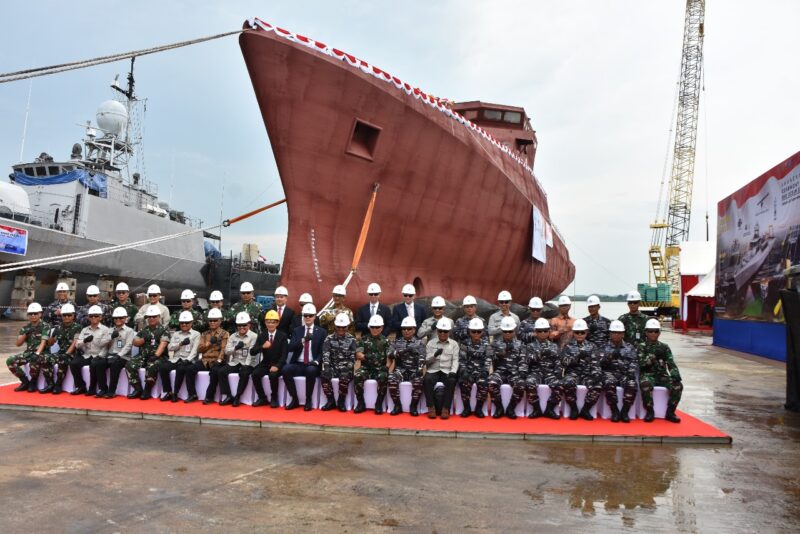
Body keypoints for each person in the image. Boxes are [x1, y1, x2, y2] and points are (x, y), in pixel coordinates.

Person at [639, 318, 683, 423]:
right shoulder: (641, 346)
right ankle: (650, 411)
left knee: (678, 385)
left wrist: (675, 375)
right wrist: (652, 356)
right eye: (650, 331)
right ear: (646, 332)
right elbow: (641, 364)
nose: (653, 333)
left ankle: (670, 412)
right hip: (648, 374)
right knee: (645, 384)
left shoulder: (664, 347)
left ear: (659, 332)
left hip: (662, 375)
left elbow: (670, 363)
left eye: (656, 331)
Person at [284, 303, 326, 410]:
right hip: (298, 363)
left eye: (310, 315)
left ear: (314, 316)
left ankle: (308, 400)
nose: (307, 317)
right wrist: (303, 340)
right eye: (305, 315)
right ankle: (294, 399)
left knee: (310, 371)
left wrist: (317, 361)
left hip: (312, 364)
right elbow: (290, 347)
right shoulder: (297, 330)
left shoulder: (321, 332)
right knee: (285, 370)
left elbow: (323, 351)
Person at [521, 318, 564, 419]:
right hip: (536, 372)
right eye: (540, 331)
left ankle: (550, 408)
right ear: (535, 332)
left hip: (549, 372)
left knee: (560, 384)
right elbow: (525, 361)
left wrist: (558, 372)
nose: (543, 333)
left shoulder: (554, 346)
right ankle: (536, 408)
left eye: (545, 331)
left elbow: (558, 361)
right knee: (529, 383)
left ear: (549, 332)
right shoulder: (529, 346)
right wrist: (539, 354)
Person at [560, 319, 602, 420]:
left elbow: (596, 363)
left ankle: (586, 409)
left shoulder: (592, 346)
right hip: (573, 373)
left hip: (587, 374)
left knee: (598, 384)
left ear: (586, 333)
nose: (579, 334)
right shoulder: (568, 346)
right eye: (577, 332)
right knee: (567, 382)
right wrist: (577, 357)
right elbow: (564, 362)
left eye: (582, 332)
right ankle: (573, 408)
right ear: (573, 333)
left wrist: (596, 374)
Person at [598, 320, 639, 423]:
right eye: (614, 332)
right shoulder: (603, 347)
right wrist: (608, 358)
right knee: (609, 383)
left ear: (623, 334)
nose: (617, 335)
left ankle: (625, 411)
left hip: (624, 374)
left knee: (632, 384)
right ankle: (614, 410)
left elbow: (634, 362)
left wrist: (630, 372)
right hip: (609, 373)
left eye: (619, 333)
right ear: (610, 333)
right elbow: (599, 363)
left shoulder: (629, 347)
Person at [487, 317, 526, 419]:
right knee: (491, 382)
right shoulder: (495, 344)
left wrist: (522, 372)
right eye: (505, 331)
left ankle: (511, 408)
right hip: (500, 372)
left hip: (515, 372)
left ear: (514, 331)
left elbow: (523, 360)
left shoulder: (521, 344)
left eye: (510, 331)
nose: (508, 333)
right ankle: (499, 407)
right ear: (502, 331)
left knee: (521, 384)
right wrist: (498, 353)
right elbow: (489, 357)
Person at [6, 303, 50, 392]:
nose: (33, 315)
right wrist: (26, 333)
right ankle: (25, 381)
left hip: (42, 353)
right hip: (29, 353)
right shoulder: (25, 327)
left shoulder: (45, 326)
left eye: (35, 313)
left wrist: (37, 353)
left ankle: (33, 382)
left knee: (35, 359)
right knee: (10, 361)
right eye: (30, 314)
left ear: (40, 314)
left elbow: (43, 342)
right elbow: (18, 344)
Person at [160, 311, 202, 402]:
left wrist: (188, 360)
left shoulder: (196, 334)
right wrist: (181, 344)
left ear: (191, 323)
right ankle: (169, 392)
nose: (184, 324)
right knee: (163, 368)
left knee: (181, 368)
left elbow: (195, 350)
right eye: (182, 322)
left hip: (188, 359)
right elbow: (170, 347)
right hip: (176, 358)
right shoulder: (176, 334)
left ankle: (176, 393)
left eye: (186, 322)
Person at [218, 312, 259, 406]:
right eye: (239, 325)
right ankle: (228, 395)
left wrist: (246, 365)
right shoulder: (232, 336)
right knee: (221, 371)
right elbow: (227, 352)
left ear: (249, 325)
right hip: (235, 362)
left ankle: (238, 396)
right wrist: (235, 348)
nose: (241, 327)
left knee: (244, 372)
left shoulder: (254, 336)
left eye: (244, 325)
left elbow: (251, 353)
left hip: (249, 362)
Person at [354, 315, 393, 414]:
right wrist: (369, 358)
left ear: (382, 328)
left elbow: (389, 357)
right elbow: (359, 355)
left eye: (377, 327)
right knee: (357, 374)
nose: (375, 329)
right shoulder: (363, 339)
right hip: (366, 367)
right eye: (373, 327)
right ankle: (360, 403)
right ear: (369, 327)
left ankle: (379, 403)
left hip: (380, 368)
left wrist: (387, 367)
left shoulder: (386, 341)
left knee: (384, 376)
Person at [388, 316, 426, 416]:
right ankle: (397, 405)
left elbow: (423, 358)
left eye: (409, 329)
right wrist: (404, 351)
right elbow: (390, 354)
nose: (406, 331)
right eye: (404, 329)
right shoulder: (396, 342)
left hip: (414, 370)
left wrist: (420, 369)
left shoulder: (419, 343)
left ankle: (413, 406)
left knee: (419, 380)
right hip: (400, 370)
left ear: (414, 329)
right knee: (391, 378)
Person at [129, 305, 169, 399]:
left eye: (154, 316)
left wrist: (156, 355)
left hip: (159, 356)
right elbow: (135, 342)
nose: (151, 318)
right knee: (130, 364)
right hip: (143, 355)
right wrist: (143, 340)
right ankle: (137, 388)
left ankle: (147, 389)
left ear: (159, 317)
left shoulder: (163, 330)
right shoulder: (144, 330)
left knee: (152, 364)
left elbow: (163, 344)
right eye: (149, 317)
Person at [320, 313, 357, 411]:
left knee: (344, 376)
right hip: (333, 367)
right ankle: (330, 400)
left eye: (343, 327)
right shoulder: (329, 338)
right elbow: (326, 353)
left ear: (348, 327)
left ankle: (341, 401)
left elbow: (354, 357)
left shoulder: (352, 340)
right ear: (335, 326)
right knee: (324, 374)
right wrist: (327, 366)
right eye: (339, 327)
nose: (341, 329)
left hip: (346, 368)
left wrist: (348, 367)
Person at [423, 318, 459, 419]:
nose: (443, 333)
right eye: (440, 331)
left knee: (452, 380)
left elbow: (456, 360)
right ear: (437, 331)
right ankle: (431, 407)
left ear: (449, 332)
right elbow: (426, 361)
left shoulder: (454, 344)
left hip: (446, 370)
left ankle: (446, 408)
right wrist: (434, 355)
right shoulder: (430, 343)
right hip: (433, 369)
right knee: (427, 379)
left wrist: (453, 371)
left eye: (445, 331)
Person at [252, 310, 289, 407]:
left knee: (273, 375)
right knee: (255, 374)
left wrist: (278, 366)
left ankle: (274, 398)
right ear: (265, 323)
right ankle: (262, 397)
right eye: (268, 322)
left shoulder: (282, 336)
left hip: (278, 363)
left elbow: (284, 355)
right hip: (266, 363)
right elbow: (252, 352)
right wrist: (262, 347)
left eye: (273, 322)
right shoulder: (262, 335)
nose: (270, 324)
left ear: (277, 323)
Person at [42, 303, 82, 394]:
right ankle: (50, 383)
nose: (66, 317)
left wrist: (67, 353)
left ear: (73, 316)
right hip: (61, 352)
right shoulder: (58, 327)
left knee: (63, 359)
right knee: (45, 358)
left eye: (69, 315)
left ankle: (58, 384)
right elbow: (51, 343)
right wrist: (50, 337)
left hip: (73, 354)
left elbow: (74, 343)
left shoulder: (78, 327)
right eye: (64, 315)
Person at [457, 317, 492, 418]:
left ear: (482, 332)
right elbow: (462, 359)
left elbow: (488, 359)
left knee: (484, 384)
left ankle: (478, 408)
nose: (476, 333)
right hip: (468, 371)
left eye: (478, 331)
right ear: (469, 331)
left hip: (481, 371)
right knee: (463, 382)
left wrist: (485, 370)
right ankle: (466, 408)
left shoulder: (487, 345)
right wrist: (463, 370)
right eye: (474, 331)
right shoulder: (464, 344)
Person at [72, 305, 112, 396]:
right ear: (88, 317)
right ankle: (81, 386)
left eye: (96, 316)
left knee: (96, 363)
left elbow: (106, 346)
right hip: (87, 355)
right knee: (73, 364)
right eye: (91, 316)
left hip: (99, 355)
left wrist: (100, 356)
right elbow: (77, 345)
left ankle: (101, 388)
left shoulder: (106, 330)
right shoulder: (85, 330)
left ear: (101, 317)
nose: (93, 318)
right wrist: (84, 341)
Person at [200, 308, 230, 405]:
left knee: (215, 371)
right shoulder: (204, 334)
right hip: (205, 360)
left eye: (215, 320)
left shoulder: (224, 333)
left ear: (220, 321)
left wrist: (220, 360)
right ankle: (191, 394)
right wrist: (208, 344)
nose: (212, 322)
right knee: (189, 369)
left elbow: (223, 349)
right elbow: (199, 349)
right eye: (210, 320)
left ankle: (209, 396)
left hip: (217, 360)